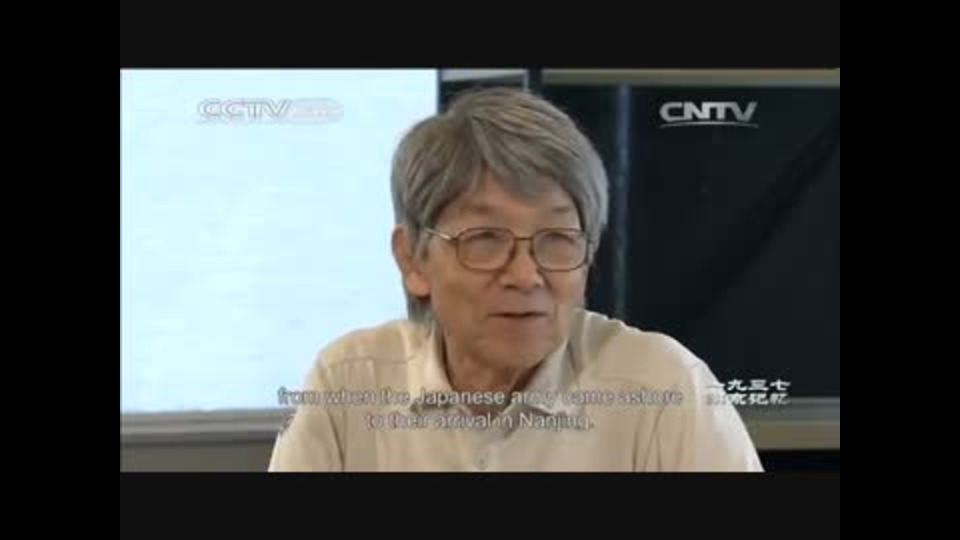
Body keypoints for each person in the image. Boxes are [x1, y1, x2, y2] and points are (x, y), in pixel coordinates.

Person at [268, 87, 763, 472]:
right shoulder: (347, 384)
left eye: (557, 238)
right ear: (412, 260)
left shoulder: (664, 389)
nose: (526, 276)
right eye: (485, 238)